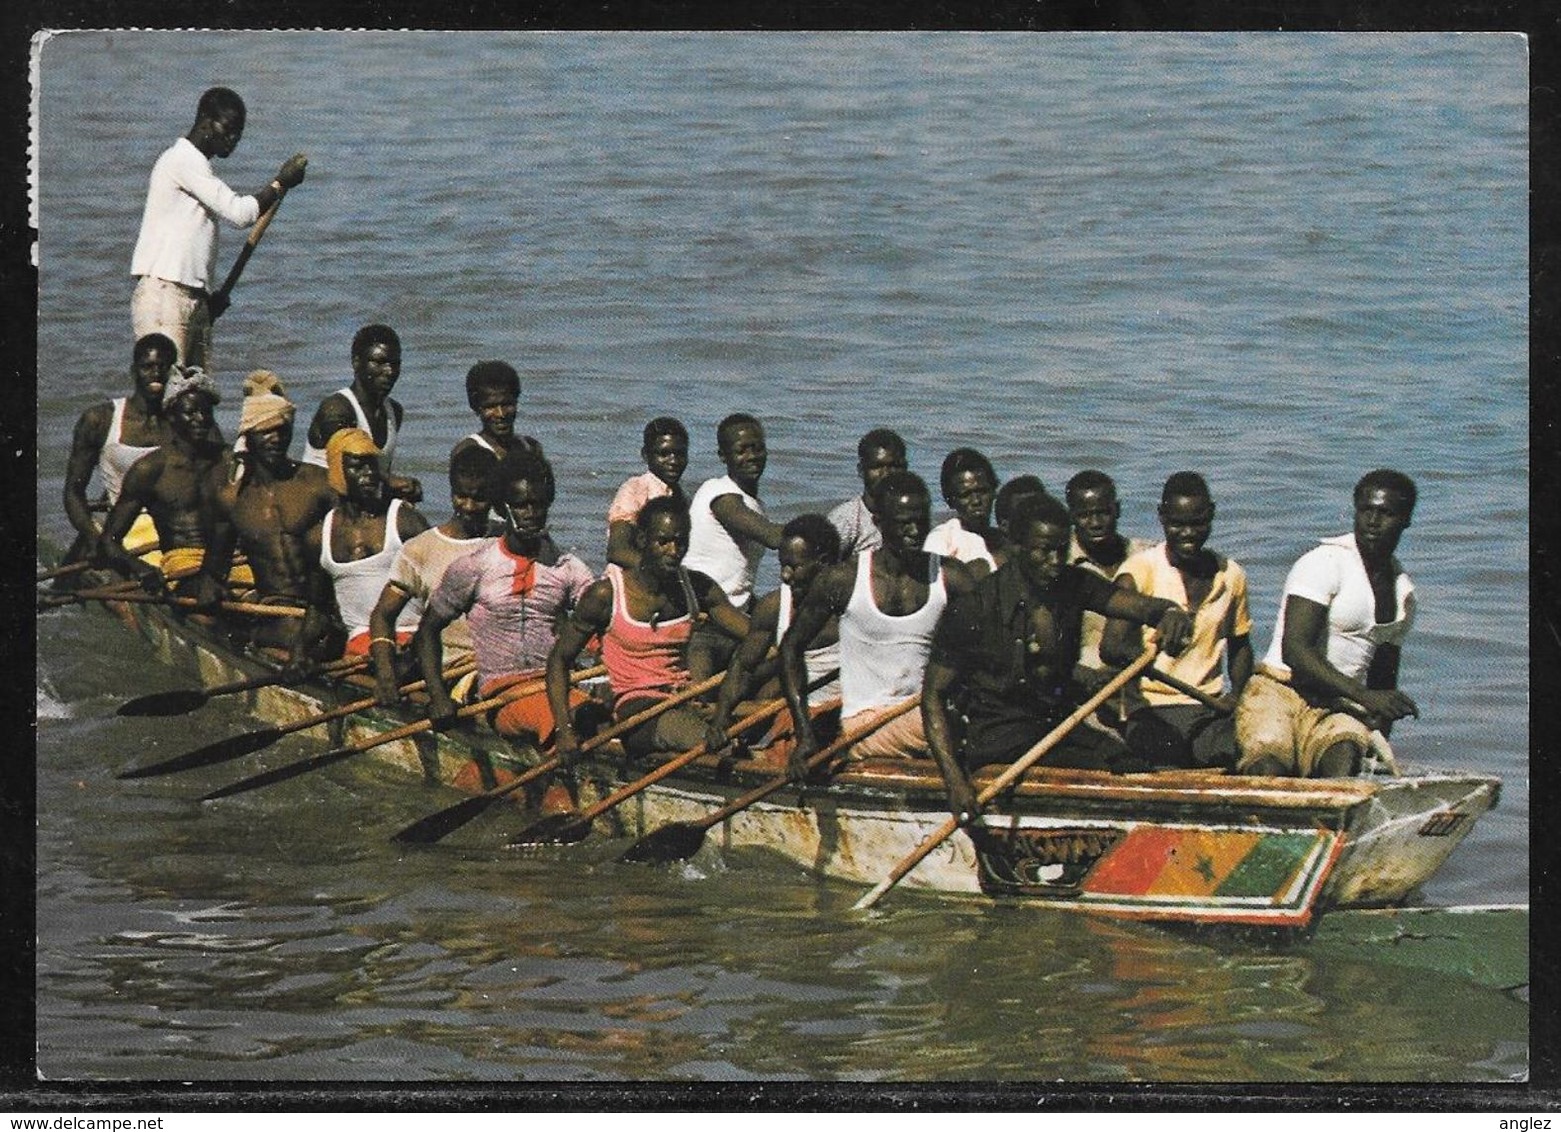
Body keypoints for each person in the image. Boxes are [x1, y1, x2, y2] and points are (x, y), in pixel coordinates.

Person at [922, 493, 1194, 820]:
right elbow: (933, 696)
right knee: (1103, 770)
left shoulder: (1073, 583)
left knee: (1129, 761)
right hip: (1000, 737)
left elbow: (1130, 604)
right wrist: (955, 783)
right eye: (1043, 551)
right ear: (1016, 547)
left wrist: (1169, 612)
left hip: (1059, 726)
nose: (1054, 561)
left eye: (1061, 549)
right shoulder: (975, 607)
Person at [781, 471, 978, 773]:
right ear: (879, 523)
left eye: (921, 521)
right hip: (867, 724)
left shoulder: (953, 578)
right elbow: (790, 649)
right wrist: (805, 734)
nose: (914, 531)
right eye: (903, 523)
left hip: (927, 713)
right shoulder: (843, 580)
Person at [1234, 470, 1420, 778]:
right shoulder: (1325, 562)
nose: (1372, 522)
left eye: (1385, 513)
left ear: (1406, 520)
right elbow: (1294, 649)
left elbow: (1383, 680)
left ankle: (1340, 822)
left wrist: (1378, 725)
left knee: (1344, 759)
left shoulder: (1404, 594)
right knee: (1269, 768)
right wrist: (1365, 698)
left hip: (1338, 706)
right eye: (1366, 510)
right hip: (1280, 691)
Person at [547, 495, 750, 764]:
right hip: (636, 710)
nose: (673, 550)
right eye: (663, 541)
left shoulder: (698, 587)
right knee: (721, 746)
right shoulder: (605, 595)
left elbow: (755, 634)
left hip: (685, 698)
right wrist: (564, 730)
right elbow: (559, 661)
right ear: (642, 541)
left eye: (681, 542)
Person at [415, 448, 596, 745]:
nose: (531, 514)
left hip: (559, 687)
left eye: (538, 505)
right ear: (501, 507)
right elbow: (427, 631)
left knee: (599, 715)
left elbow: (604, 623)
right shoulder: (474, 567)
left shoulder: (569, 569)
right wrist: (437, 697)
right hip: (500, 695)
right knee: (577, 719)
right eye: (521, 505)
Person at [130, 87, 307, 374]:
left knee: (197, 399)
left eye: (239, 132)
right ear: (204, 121)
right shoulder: (182, 160)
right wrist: (278, 184)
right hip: (165, 296)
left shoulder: (198, 167)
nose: (233, 139)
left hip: (191, 298)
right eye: (228, 128)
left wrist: (205, 299)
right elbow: (240, 213)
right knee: (171, 400)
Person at [1101, 473, 1253, 770]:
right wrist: (1145, 663)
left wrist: (1237, 696)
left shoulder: (1231, 574)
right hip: (1150, 711)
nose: (1187, 533)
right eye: (1177, 524)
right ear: (1161, 517)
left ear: (1211, 514)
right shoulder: (1139, 571)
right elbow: (1111, 647)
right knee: (1166, 764)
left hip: (1209, 712)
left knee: (1248, 756)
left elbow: (1240, 645)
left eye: (1197, 523)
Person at [194, 371, 338, 672]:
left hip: (324, 611)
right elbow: (214, 570)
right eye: (265, 432)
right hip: (273, 614)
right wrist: (212, 594)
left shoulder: (318, 484)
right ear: (248, 436)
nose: (275, 439)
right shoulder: (233, 500)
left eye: (282, 431)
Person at [367, 445, 498, 708]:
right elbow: (383, 615)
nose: (469, 507)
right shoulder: (420, 549)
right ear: (451, 492)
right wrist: (385, 673)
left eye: (480, 498)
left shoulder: (507, 542)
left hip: (504, 664)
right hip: (450, 669)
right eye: (461, 497)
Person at [705, 513, 844, 759]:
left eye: (794, 566)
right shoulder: (774, 606)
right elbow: (743, 668)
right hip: (803, 716)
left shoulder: (853, 600)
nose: (785, 576)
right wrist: (721, 719)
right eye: (782, 566)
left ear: (823, 563)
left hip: (850, 712)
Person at [97, 365, 234, 596]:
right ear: (171, 416)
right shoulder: (150, 469)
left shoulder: (230, 461)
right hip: (184, 563)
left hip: (233, 559)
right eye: (190, 412)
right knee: (210, 612)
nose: (200, 419)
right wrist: (140, 568)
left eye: (205, 412)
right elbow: (108, 542)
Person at [682, 413, 787, 682]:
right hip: (704, 622)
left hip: (735, 617)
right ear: (723, 455)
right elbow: (773, 537)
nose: (751, 456)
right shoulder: (720, 494)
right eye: (741, 450)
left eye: (758, 448)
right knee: (698, 699)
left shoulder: (756, 505)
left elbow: (740, 576)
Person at [60, 333, 178, 573]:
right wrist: (95, 539)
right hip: (125, 531)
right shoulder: (100, 419)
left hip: (175, 528)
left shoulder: (186, 420)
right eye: (147, 367)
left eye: (163, 367)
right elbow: (73, 491)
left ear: (173, 373)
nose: (156, 374)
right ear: (134, 371)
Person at [317, 428, 430, 657]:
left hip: (412, 635)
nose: (369, 473)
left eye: (372, 465)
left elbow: (443, 582)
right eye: (357, 466)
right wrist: (300, 653)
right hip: (361, 643)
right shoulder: (320, 534)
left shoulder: (404, 520)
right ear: (338, 471)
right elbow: (319, 606)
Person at [300, 324, 421, 501]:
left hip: (357, 509)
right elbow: (350, 470)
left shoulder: (394, 411)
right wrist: (394, 482)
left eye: (395, 364)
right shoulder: (337, 409)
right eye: (379, 362)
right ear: (356, 362)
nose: (389, 371)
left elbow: (377, 479)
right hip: (320, 506)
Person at [1065, 470, 1154, 701]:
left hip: (1144, 683)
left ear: (1118, 510)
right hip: (1083, 692)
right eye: (1085, 515)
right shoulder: (1060, 565)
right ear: (1071, 516)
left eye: (1103, 513)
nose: (1095, 523)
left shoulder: (1147, 557)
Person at [606, 417, 689, 569]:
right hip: (631, 579)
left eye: (680, 454)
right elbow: (617, 550)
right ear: (646, 455)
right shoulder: (635, 489)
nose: (673, 461)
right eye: (664, 454)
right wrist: (658, 573)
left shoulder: (680, 495)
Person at [826, 428, 908, 558]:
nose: (886, 474)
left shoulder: (913, 517)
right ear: (861, 470)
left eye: (894, 466)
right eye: (877, 466)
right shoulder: (847, 520)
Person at [448, 360, 544, 469]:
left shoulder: (530, 447)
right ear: (476, 407)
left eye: (507, 404)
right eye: (490, 406)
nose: (500, 414)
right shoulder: (468, 451)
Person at [923, 447, 999, 577]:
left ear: (994, 491)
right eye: (966, 495)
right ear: (950, 500)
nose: (976, 501)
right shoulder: (942, 540)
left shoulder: (1003, 540)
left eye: (982, 491)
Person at [987, 473, 1047, 568]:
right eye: (1025, 515)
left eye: (1041, 513)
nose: (1037, 522)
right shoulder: (988, 569)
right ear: (1004, 525)